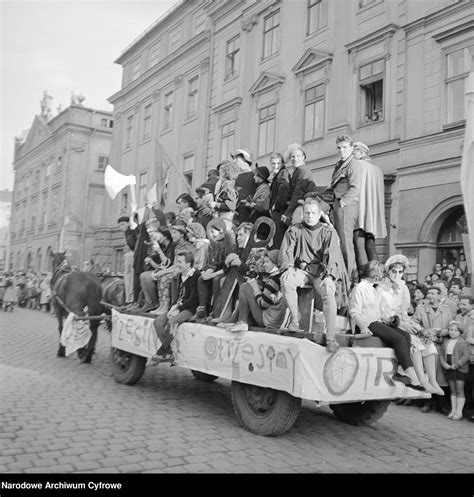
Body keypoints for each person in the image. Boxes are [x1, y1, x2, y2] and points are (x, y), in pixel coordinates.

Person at [280, 197, 350, 352]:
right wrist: (288, 267)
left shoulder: (328, 232)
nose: (309, 216)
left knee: (328, 291)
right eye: (306, 213)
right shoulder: (294, 230)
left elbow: (332, 254)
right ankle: (294, 319)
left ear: (319, 215)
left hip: (320, 272)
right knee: (287, 280)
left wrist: (329, 276)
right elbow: (287, 251)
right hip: (303, 271)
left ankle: (330, 338)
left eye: (313, 213)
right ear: (302, 214)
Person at [349, 261, 426, 390]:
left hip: (377, 321)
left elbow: (378, 310)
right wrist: (363, 327)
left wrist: (389, 319)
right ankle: (412, 375)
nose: (382, 276)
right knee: (399, 339)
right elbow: (354, 311)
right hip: (367, 323)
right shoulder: (360, 288)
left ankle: (401, 371)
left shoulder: (372, 288)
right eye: (380, 273)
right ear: (374, 274)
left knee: (405, 335)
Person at [376, 254, 444, 395]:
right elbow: (381, 312)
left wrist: (414, 325)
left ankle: (433, 381)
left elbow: (403, 310)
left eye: (400, 272)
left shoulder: (403, 287)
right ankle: (421, 381)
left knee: (427, 341)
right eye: (394, 271)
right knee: (414, 342)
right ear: (388, 271)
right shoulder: (381, 287)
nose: (397, 274)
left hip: (401, 319)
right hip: (387, 321)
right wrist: (401, 324)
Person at [151, 250, 200, 364]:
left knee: (171, 322)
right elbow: (177, 297)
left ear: (188, 264)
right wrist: (173, 308)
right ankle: (169, 353)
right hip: (179, 307)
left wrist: (178, 309)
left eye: (180, 262)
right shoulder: (180, 276)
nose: (177, 264)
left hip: (190, 309)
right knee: (157, 322)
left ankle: (161, 351)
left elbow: (194, 299)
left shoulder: (195, 275)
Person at [326, 135, 363, 283]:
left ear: (352, 148)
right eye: (339, 148)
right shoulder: (340, 164)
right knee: (339, 241)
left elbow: (355, 188)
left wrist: (342, 202)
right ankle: (344, 274)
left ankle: (348, 277)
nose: (342, 150)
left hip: (346, 206)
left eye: (345, 147)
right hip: (339, 205)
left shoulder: (353, 164)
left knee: (346, 243)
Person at [224, 249, 286, 332]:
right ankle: (237, 320)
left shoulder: (274, 279)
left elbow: (263, 303)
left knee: (245, 287)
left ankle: (242, 322)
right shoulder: (281, 276)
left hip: (267, 321)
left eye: (267, 262)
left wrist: (255, 288)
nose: (264, 265)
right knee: (250, 286)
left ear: (275, 264)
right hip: (274, 321)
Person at [352, 142, 387, 272]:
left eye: (354, 152)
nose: (352, 155)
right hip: (372, 214)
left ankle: (363, 274)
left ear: (361, 153)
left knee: (358, 244)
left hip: (359, 210)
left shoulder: (358, 165)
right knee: (371, 244)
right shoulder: (377, 169)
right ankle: (376, 274)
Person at [195, 218, 236, 319]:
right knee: (201, 278)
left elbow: (228, 266)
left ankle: (216, 310)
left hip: (227, 270)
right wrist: (207, 273)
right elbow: (213, 262)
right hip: (217, 269)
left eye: (213, 232)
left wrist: (211, 275)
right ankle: (203, 308)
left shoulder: (229, 243)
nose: (212, 235)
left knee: (216, 280)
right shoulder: (213, 244)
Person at [439, 321, 470, 420]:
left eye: (456, 330)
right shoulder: (446, 342)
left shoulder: (463, 343)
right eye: (451, 330)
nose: (453, 332)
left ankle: (459, 413)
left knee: (459, 390)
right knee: (452, 390)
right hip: (449, 368)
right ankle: (453, 410)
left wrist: (456, 365)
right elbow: (441, 354)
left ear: (460, 332)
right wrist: (444, 364)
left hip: (459, 369)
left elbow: (466, 357)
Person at [281, 143, 316, 226]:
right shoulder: (298, 171)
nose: (295, 159)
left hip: (304, 208)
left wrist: (288, 212)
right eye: (292, 156)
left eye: (298, 156)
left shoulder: (303, 171)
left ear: (303, 157)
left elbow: (298, 193)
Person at [268, 152, 290, 249]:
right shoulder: (278, 174)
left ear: (282, 163)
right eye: (273, 163)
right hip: (279, 210)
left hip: (280, 211)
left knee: (278, 239)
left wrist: (275, 206)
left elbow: (284, 189)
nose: (275, 166)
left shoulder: (282, 173)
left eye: (278, 163)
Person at [210, 160, 239, 231]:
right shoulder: (226, 187)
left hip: (226, 221)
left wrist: (215, 205)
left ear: (224, 174)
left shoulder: (228, 189)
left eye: (220, 173)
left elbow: (230, 206)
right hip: (223, 220)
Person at [232, 148, 256, 224]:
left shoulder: (254, 176)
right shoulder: (235, 177)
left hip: (248, 215)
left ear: (244, 158)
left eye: (236, 158)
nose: (234, 161)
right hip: (235, 215)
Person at [118, 215, 137, 305]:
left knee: (130, 276)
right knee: (127, 276)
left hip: (133, 255)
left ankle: (131, 298)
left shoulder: (131, 231)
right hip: (130, 254)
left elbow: (133, 245)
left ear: (128, 223)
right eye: (120, 226)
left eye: (123, 224)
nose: (121, 227)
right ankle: (128, 299)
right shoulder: (127, 233)